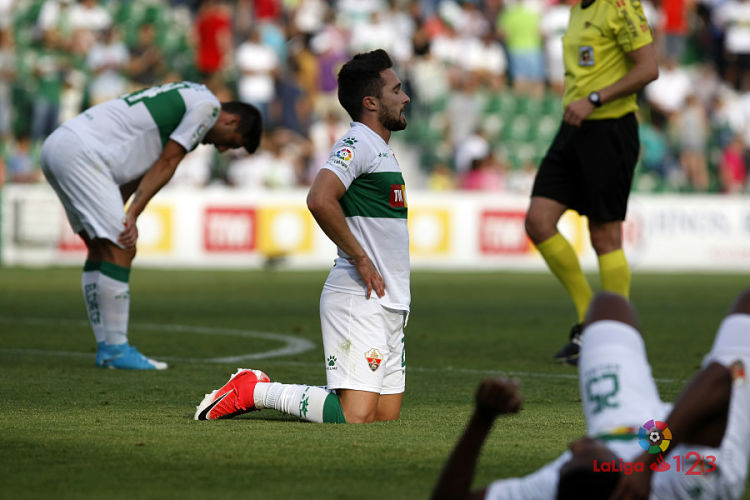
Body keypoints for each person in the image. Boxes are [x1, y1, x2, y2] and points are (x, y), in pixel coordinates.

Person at [194, 48, 411, 424]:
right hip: (358, 296)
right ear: (371, 102)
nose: (405, 97)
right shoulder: (357, 143)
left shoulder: (382, 150)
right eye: (397, 90)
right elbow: (319, 198)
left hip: (390, 299)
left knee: (383, 417)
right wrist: (360, 257)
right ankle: (253, 390)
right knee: (355, 415)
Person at [431, 289, 750, 499]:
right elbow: (720, 379)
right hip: (672, 446)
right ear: (619, 473)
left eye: (568, 459)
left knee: (608, 306)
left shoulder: (554, 487)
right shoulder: (683, 481)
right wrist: (648, 463)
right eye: (582, 454)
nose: (574, 444)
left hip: (625, 429)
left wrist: (482, 417)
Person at [40, 81, 262, 370]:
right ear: (231, 120)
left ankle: (108, 348)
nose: (221, 149)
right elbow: (168, 162)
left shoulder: (190, 96)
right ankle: (116, 349)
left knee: (100, 249)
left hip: (61, 145)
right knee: (121, 246)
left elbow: (145, 165)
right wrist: (131, 214)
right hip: (83, 154)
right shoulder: (208, 107)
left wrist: (124, 207)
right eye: (230, 141)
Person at [523, 0, 659, 365]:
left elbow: (648, 68)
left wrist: (596, 99)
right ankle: (589, 319)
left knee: (604, 235)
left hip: (610, 128)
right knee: (538, 221)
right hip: (574, 127)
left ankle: (618, 337)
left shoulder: (620, 6)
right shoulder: (578, 10)